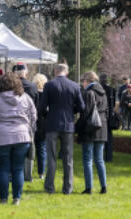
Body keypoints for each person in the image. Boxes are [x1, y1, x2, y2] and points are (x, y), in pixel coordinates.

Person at [0, 72, 36, 205]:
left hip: (0, 137)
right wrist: (27, 126)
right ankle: (16, 198)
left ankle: (3, 199)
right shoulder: (25, 98)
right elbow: (34, 115)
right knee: (18, 168)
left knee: (3, 169)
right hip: (22, 137)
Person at [40, 63, 84, 195]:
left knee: (51, 157)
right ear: (67, 72)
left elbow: (42, 107)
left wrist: (48, 116)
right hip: (68, 124)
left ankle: (49, 187)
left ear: (56, 71)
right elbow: (82, 107)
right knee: (68, 159)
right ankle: (67, 188)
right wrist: (71, 111)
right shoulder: (75, 86)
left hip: (52, 124)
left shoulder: (49, 85)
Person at [76, 71, 109, 194]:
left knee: (88, 159)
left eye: (83, 81)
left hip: (90, 129)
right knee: (99, 159)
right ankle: (103, 186)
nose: (82, 84)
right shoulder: (103, 93)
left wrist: (77, 127)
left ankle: (89, 187)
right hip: (102, 128)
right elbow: (106, 111)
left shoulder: (89, 93)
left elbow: (85, 114)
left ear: (87, 81)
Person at [31, 72, 48, 178]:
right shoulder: (46, 94)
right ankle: (41, 172)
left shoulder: (31, 93)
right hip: (43, 123)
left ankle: (28, 170)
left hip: (32, 122)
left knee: (30, 148)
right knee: (42, 148)